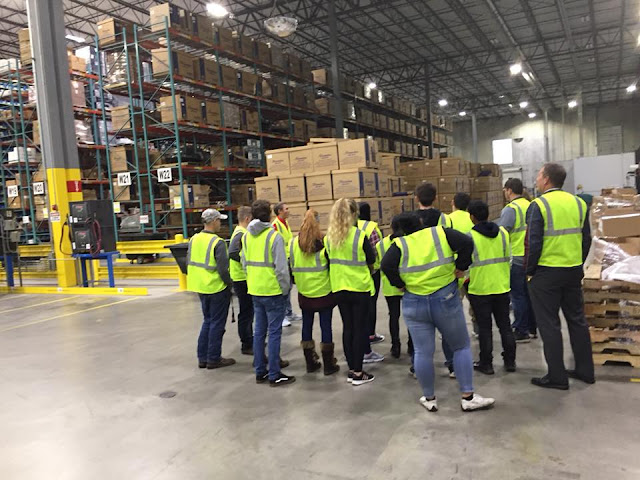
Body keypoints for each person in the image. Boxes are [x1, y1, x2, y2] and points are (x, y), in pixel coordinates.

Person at [380, 214, 495, 412]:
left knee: (423, 352)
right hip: (446, 299)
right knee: (460, 346)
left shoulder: (399, 245)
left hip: (414, 302)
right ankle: (467, 397)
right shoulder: (440, 233)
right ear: (421, 223)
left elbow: (386, 265)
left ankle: (429, 398)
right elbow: (468, 242)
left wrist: (399, 284)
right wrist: (461, 267)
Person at [526, 163, 595, 390]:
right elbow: (586, 239)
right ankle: (586, 371)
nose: (536, 179)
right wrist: (578, 261)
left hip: (547, 272)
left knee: (549, 324)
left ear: (546, 179)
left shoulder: (540, 205)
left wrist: (530, 271)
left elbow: (534, 244)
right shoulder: (578, 203)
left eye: (538, 175)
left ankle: (557, 376)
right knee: (577, 320)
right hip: (573, 270)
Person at [242, 200, 295, 387]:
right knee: (274, 333)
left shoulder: (247, 236)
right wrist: (285, 288)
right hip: (273, 291)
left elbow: (244, 263)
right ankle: (274, 373)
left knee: (259, 332)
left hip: (255, 289)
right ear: (270, 215)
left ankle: (260, 371)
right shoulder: (274, 237)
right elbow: (281, 269)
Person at [325, 198, 377, 386]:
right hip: (359, 288)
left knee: (348, 328)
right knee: (360, 329)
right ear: (354, 214)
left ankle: (351, 369)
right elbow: (371, 259)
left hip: (339, 287)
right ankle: (358, 371)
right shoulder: (359, 236)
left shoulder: (329, 238)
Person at [466, 200, 517, 375]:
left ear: (472, 217)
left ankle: (486, 364)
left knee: (485, 328)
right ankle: (510, 362)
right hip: (502, 286)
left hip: (480, 289)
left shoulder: (470, 237)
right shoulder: (503, 233)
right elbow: (509, 258)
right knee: (505, 326)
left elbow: (466, 265)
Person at [289, 209, 340, 375]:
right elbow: (332, 266)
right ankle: (328, 364)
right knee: (326, 326)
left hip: (304, 292)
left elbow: (291, 266)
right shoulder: (325, 242)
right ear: (318, 222)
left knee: (307, 324)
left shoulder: (293, 243)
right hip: (324, 292)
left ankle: (310, 362)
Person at [187, 209, 235, 369]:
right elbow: (223, 269)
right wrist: (230, 284)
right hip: (216, 287)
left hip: (200, 286)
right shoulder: (217, 242)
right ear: (213, 221)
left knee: (207, 321)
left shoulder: (194, 239)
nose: (220, 223)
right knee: (216, 323)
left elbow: (188, 261)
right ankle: (214, 358)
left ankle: (203, 358)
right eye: (219, 220)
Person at [498, 178, 536, 343]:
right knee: (529, 295)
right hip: (531, 257)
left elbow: (502, 234)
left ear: (509, 190)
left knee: (518, 295)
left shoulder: (510, 209)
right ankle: (532, 327)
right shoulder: (531, 205)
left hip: (517, 257)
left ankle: (521, 329)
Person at [377, 213, 420, 358]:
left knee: (393, 316)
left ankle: (395, 346)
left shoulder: (381, 244)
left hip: (390, 287)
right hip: (408, 285)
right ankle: (411, 345)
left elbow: (378, 265)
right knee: (410, 317)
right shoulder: (409, 242)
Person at [358, 202, 385, 364]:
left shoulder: (345, 227)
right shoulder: (371, 228)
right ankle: (370, 334)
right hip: (372, 271)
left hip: (350, 275)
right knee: (371, 304)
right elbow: (376, 250)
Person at [228, 206, 254, 355]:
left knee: (248, 312)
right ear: (247, 219)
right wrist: (246, 262)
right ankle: (246, 343)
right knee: (246, 312)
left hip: (242, 278)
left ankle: (249, 338)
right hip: (241, 279)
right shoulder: (241, 233)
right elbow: (232, 252)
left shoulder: (240, 232)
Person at [272, 202, 301, 327]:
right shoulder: (275, 225)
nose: (288, 211)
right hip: (282, 259)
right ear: (279, 211)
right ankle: (282, 315)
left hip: (289, 258)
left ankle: (289, 313)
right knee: (283, 288)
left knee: (288, 288)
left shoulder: (285, 223)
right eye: (286, 209)